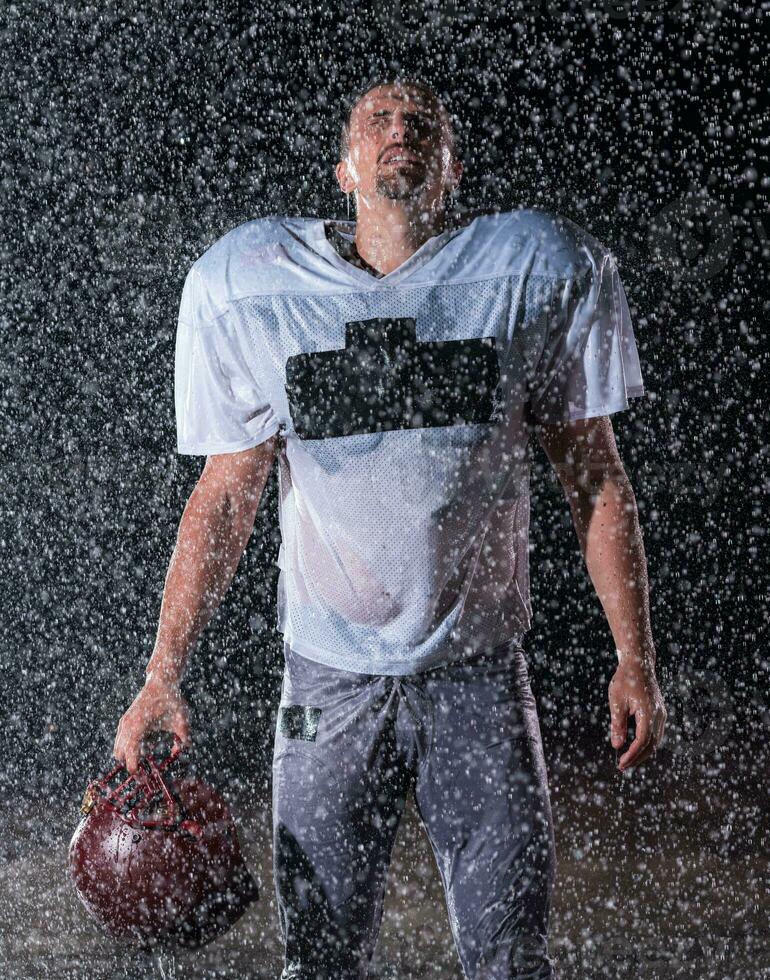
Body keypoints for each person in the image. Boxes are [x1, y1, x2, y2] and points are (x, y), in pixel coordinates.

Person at [113, 75, 667, 979]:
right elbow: (224, 498)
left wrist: (634, 656)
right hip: (329, 684)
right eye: (377, 119)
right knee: (322, 962)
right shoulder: (257, 288)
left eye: (421, 122)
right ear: (343, 169)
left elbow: (596, 476)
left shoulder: (529, 270)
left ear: (452, 167)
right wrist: (162, 675)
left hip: (479, 676)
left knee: (510, 960)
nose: (398, 129)